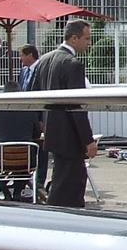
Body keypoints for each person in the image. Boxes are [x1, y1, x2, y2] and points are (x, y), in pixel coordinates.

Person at [32, 18, 97, 208]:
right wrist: (88, 140)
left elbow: (35, 98)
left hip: (52, 133)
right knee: (71, 186)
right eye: (86, 39)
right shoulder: (72, 64)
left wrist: (42, 124)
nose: (89, 43)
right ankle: (65, 219)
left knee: (62, 180)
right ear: (74, 38)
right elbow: (76, 107)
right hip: (71, 137)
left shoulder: (44, 60)